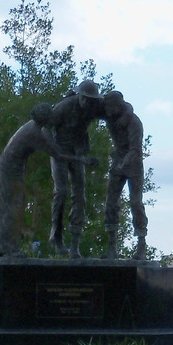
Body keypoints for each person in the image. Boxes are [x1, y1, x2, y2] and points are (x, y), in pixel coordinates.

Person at [0, 103, 95, 257]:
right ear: (44, 119)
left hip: (11, 167)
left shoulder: (33, 127)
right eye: (50, 118)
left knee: (10, 204)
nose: (52, 121)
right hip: (10, 169)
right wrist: (83, 160)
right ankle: (8, 248)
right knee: (13, 204)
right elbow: (58, 155)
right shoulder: (36, 133)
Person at [48, 80, 104, 258]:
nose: (87, 103)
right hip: (59, 152)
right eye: (85, 99)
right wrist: (52, 149)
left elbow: (113, 110)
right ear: (79, 95)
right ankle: (56, 237)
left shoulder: (95, 107)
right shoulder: (63, 107)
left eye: (91, 100)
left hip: (78, 154)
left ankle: (75, 243)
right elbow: (44, 127)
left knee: (80, 195)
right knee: (62, 191)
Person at [102, 90, 148, 260]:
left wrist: (122, 165)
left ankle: (141, 244)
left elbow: (135, 150)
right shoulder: (110, 115)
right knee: (110, 203)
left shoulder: (134, 123)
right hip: (118, 161)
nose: (106, 110)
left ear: (117, 106)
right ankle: (111, 247)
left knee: (136, 202)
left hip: (133, 164)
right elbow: (94, 105)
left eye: (109, 107)